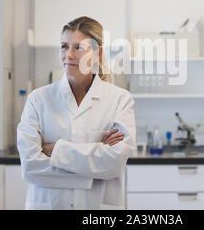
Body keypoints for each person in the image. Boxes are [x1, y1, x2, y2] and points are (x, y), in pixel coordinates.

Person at [17, 16, 136, 210]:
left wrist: (54, 150)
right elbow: (30, 167)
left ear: (98, 53)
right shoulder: (38, 100)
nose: (69, 55)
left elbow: (114, 163)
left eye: (78, 47)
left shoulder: (119, 100)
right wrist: (94, 158)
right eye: (64, 46)